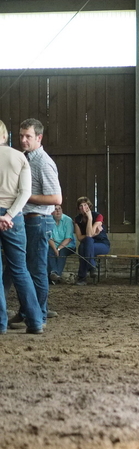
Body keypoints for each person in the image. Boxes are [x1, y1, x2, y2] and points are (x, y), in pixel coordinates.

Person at [8, 118, 62, 330]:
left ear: (39, 138)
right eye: (21, 136)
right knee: (29, 269)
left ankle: (38, 316)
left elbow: (56, 199)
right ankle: (29, 312)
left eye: (28, 136)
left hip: (38, 220)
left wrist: (25, 196)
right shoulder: (26, 158)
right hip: (30, 220)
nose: (23, 140)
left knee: (37, 270)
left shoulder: (43, 162)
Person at [0, 119, 43, 334]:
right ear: (6, 136)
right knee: (20, 270)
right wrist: (8, 215)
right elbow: (25, 193)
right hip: (14, 218)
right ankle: (35, 321)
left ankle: (0, 324)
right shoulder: (19, 157)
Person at [73, 197, 110, 285]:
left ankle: (82, 278)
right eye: (80, 206)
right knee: (83, 246)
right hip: (87, 245)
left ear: (89, 206)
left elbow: (88, 235)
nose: (83, 208)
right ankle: (92, 267)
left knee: (84, 246)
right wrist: (94, 234)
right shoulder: (77, 219)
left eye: (85, 205)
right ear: (78, 209)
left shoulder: (97, 216)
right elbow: (79, 237)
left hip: (101, 244)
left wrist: (90, 218)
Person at [48, 204, 77, 283]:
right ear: (51, 212)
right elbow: (49, 238)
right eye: (55, 209)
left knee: (62, 252)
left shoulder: (68, 220)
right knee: (49, 251)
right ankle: (53, 273)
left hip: (67, 246)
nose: (58, 211)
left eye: (59, 209)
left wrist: (58, 248)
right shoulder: (49, 220)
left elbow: (68, 238)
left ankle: (55, 274)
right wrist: (55, 249)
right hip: (53, 245)